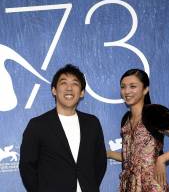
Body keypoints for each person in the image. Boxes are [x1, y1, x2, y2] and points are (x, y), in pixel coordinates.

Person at [19, 64, 107, 192]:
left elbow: (100, 162)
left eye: (75, 84)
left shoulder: (92, 123)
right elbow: (27, 166)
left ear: (82, 93)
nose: (69, 88)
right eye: (63, 83)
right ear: (54, 90)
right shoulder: (38, 125)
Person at [107, 69, 169, 192]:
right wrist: (109, 154)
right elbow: (132, 159)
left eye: (133, 86)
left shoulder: (153, 113)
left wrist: (162, 159)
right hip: (129, 186)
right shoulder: (125, 119)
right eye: (123, 87)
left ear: (145, 89)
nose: (127, 91)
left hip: (152, 186)